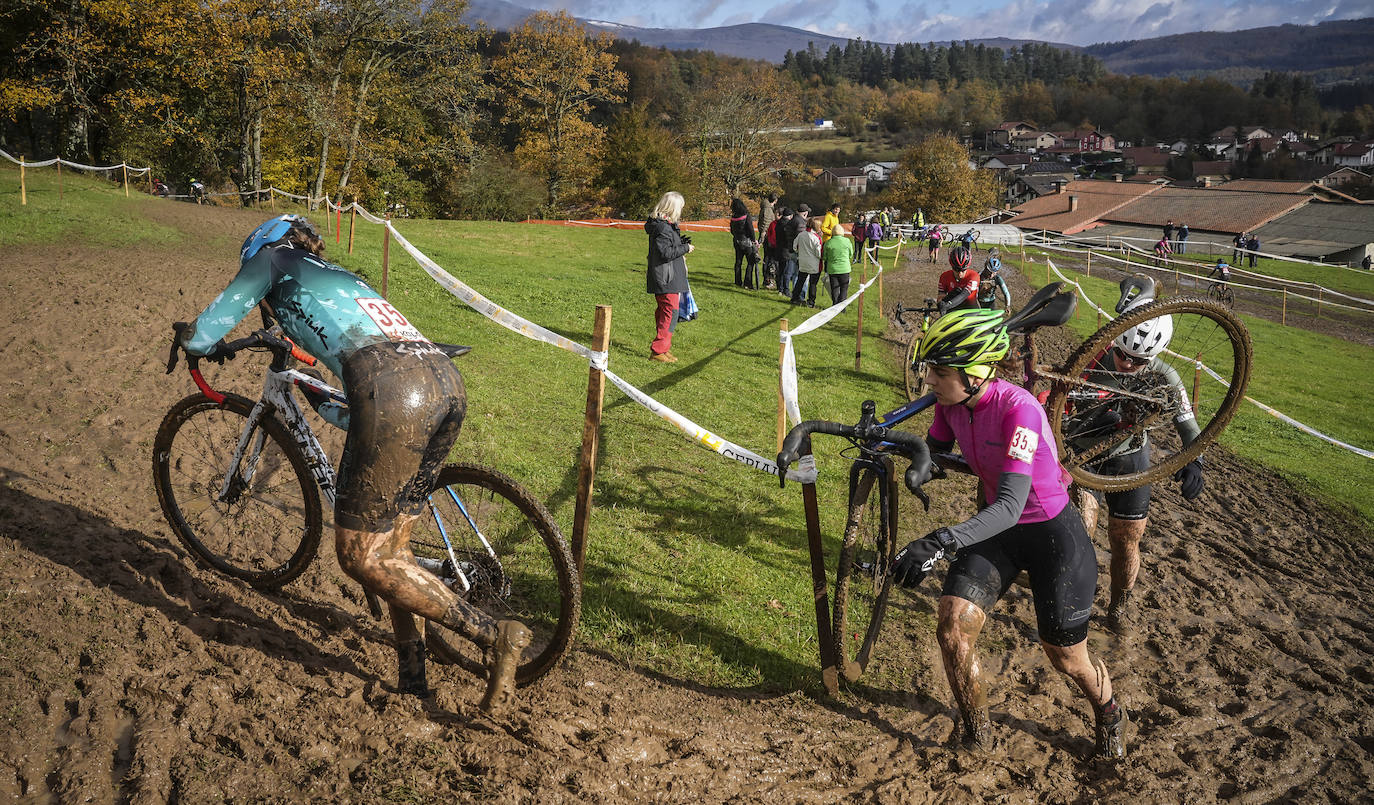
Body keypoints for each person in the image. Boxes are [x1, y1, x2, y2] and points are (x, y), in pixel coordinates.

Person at [176, 214, 531, 711]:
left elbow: (207, 327)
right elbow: (357, 401)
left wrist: (193, 342)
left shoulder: (272, 259)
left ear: (264, 244)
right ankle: (412, 673)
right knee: (394, 552)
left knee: (359, 556)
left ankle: (494, 634)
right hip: (442, 379)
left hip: (393, 387)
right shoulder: (342, 277)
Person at [892, 309, 1125, 759]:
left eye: (940, 372)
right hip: (999, 534)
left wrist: (941, 541)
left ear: (976, 374)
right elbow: (934, 452)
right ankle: (977, 735)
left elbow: (1011, 505)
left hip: (1052, 537)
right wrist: (903, 451)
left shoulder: (1020, 409)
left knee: (1066, 658)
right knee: (953, 628)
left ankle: (1110, 711)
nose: (930, 382)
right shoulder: (950, 404)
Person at [1071, 276, 1205, 635]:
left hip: (1130, 458)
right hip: (1085, 454)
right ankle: (1072, 604)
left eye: (1138, 360)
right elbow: (1064, 412)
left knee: (1126, 539)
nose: (1127, 365)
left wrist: (1195, 460)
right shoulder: (1092, 358)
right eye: (1122, 355)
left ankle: (1119, 605)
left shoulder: (1166, 376)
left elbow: (1187, 422)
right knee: (1082, 530)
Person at [646, 191, 694, 363]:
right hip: (666, 277)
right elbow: (665, 252)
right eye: (680, 207)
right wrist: (685, 248)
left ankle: (663, 348)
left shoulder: (667, 226)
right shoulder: (662, 228)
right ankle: (658, 350)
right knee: (670, 312)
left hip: (669, 275)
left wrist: (681, 244)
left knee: (665, 312)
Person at [937, 246, 980, 313]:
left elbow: (964, 294)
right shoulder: (944, 276)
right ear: (951, 266)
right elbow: (940, 296)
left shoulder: (974, 276)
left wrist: (947, 305)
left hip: (970, 308)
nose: (960, 273)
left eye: (963, 270)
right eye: (956, 270)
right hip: (952, 308)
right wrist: (940, 303)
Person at [792, 216, 823, 307]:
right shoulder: (816, 237)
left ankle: (795, 297)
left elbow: (795, 247)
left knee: (800, 281)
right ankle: (811, 301)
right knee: (813, 283)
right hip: (814, 264)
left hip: (802, 261)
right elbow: (819, 253)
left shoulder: (801, 234)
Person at [730, 198, 760, 290]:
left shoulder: (733, 217)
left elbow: (732, 230)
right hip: (747, 242)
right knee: (750, 262)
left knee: (738, 262)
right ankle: (748, 283)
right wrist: (754, 240)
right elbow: (750, 229)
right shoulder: (746, 216)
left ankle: (737, 281)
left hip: (737, 241)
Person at [822, 223, 854, 305]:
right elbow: (851, 254)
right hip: (845, 269)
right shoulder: (847, 241)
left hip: (833, 269)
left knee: (834, 289)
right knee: (844, 289)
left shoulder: (828, 243)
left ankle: (835, 304)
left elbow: (824, 257)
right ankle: (842, 306)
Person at [758, 193, 779, 290]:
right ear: (775, 201)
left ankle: (768, 279)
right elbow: (766, 222)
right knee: (769, 259)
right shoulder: (768, 209)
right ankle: (768, 280)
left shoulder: (767, 208)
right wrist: (764, 233)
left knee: (768, 258)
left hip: (767, 235)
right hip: (768, 236)